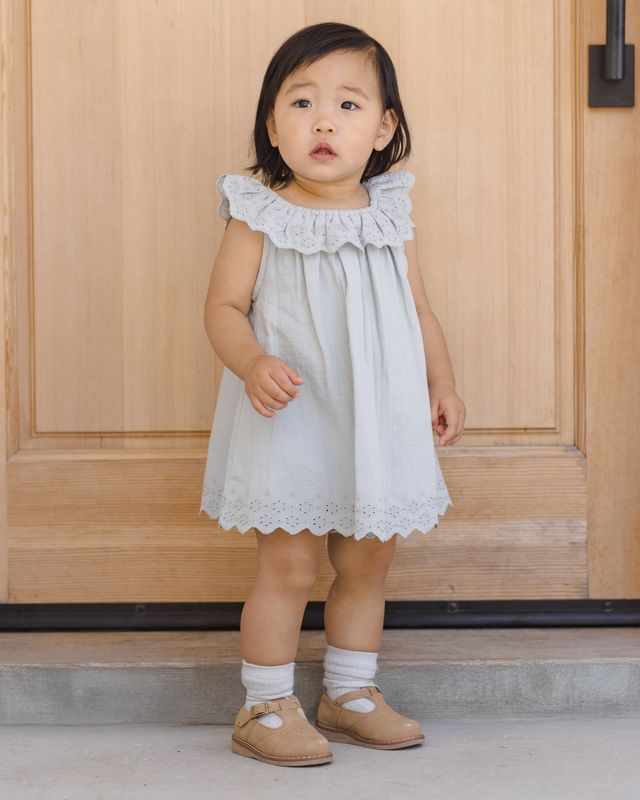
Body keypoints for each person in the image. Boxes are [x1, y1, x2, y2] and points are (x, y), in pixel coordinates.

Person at [199, 21, 466, 767]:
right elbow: (221, 308)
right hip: (289, 417)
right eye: (302, 102)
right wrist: (251, 361)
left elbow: (418, 312)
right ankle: (264, 703)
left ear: (383, 129)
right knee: (287, 567)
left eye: (349, 106)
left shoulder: (390, 214)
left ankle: (348, 692)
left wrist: (440, 382)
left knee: (367, 564)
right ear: (273, 127)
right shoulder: (261, 213)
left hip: (375, 420)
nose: (324, 120)